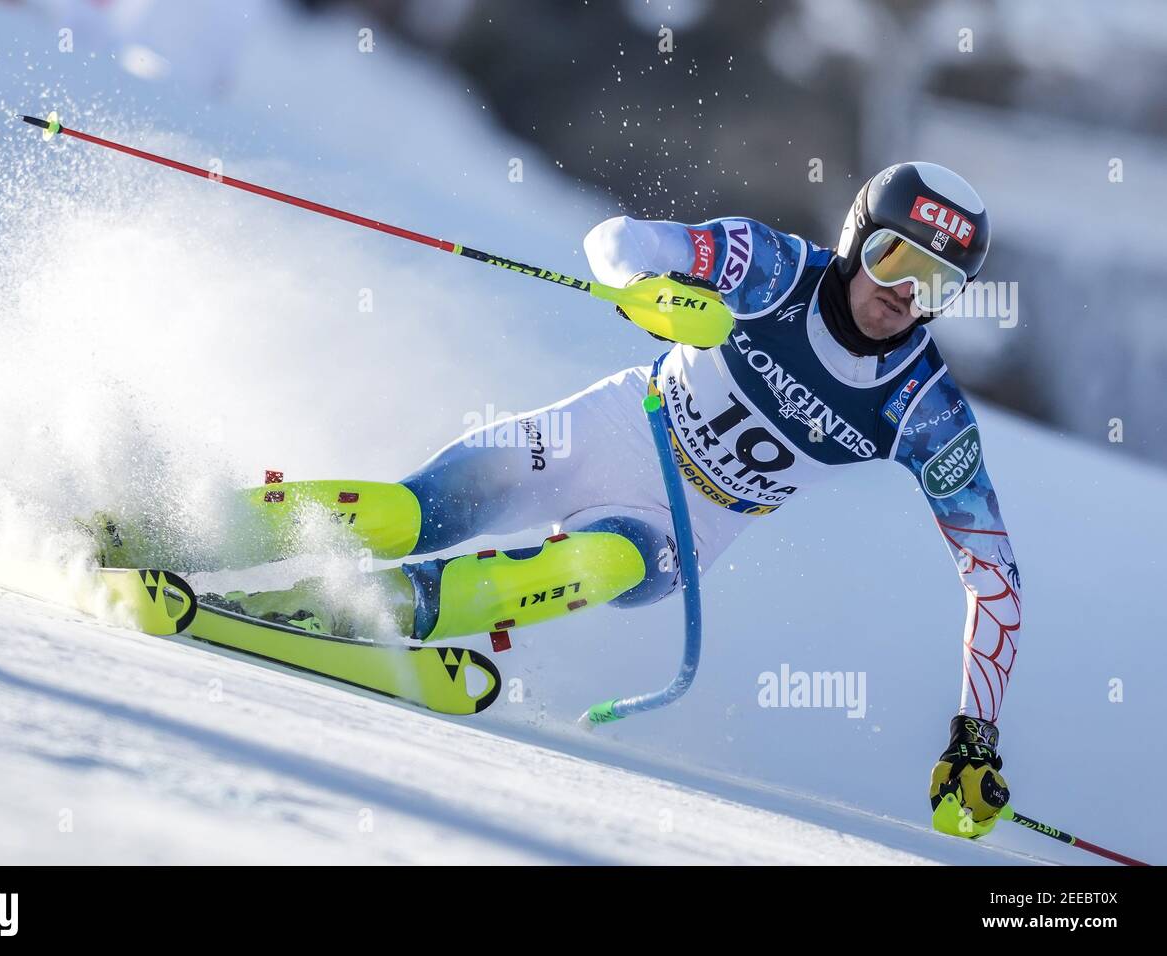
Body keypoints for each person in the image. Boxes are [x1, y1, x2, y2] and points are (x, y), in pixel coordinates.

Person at [96, 162, 1020, 840]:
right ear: (860, 237)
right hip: (608, 433)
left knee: (598, 564)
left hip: (681, 527)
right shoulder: (771, 268)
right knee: (409, 511)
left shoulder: (924, 408)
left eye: (937, 285)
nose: (904, 296)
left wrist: (975, 734)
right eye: (896, 260)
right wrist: (649, 296)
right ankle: (168, 525)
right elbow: (618, 243)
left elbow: (996, 576)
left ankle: (345, 613)